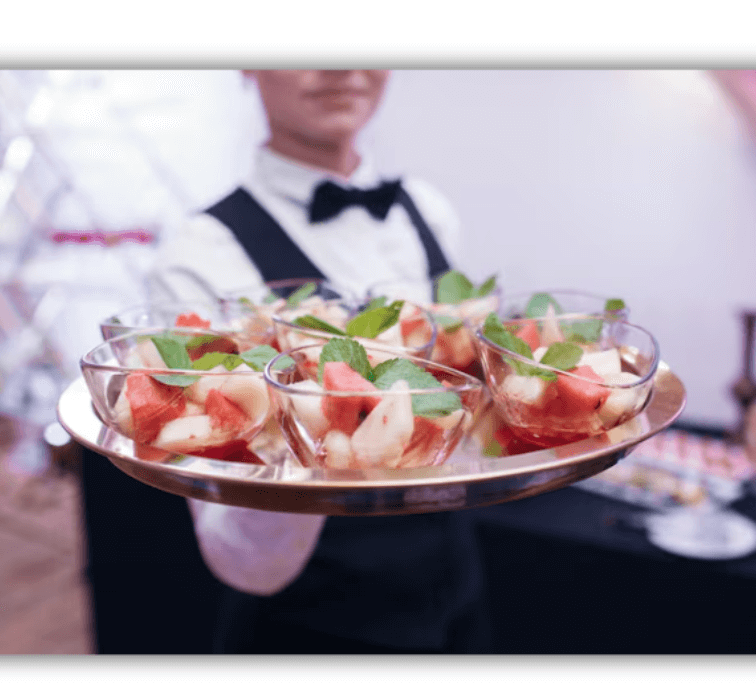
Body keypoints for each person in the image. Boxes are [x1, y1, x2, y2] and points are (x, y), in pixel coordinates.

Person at [78, 69, 490, 653]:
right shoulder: (201, 256)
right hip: (311, 620)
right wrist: (301, 421)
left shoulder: (429, 210)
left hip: (459, 588)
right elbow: (241, 557)